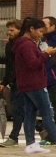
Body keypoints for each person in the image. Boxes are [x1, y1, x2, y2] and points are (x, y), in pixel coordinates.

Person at [13, 18, 56, 153]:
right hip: (35, 83)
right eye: (40, 31)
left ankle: (30, 143)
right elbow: (33, 63)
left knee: (30, 113)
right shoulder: (27, 44)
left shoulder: (22, 43)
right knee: (47, 112)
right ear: (31, 29)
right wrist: (46, 54)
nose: (41, 34)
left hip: (26, 83)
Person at [2, 18, 23, 146]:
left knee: (20, 109)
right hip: (15, 82)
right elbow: (9, 65)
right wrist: (4, 82)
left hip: (24, 80)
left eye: (12, 30)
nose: (9, 32)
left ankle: (14, 136)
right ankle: (14, 136)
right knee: (17, 109)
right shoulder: (9, 44)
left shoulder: (22, 43)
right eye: (8, 30)